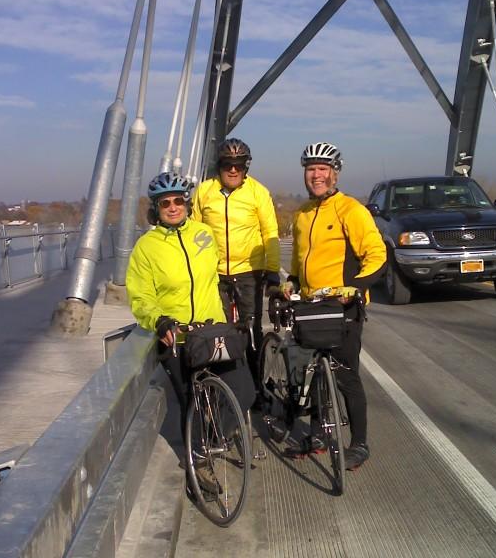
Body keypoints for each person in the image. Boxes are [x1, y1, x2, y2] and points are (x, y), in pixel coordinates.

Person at [126, 171, 256, 447]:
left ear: (186, 203)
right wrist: (158, 321)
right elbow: (141, 295)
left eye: (178, 201)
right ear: (156, 209)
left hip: (212, 330)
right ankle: (197, 464)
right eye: (165, 203)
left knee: (244, 391)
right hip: (178, 336)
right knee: (190, 406)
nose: (173, 207)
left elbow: (219, 274)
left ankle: (217, 434)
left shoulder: (204, 234)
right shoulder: (146, 248)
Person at [280, 142, 386, 470]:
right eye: (311, 169)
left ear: (335, 173)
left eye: (323, 169)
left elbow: (377, 255)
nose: (316, 175)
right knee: (307, 374)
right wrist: (292, 282)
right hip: (310, 308)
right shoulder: (302, 214)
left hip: (343, 309)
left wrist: (355, 288)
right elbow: (300, 260)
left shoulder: (351, 209)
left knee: (345, 376)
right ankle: (317, 434)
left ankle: (360, 443)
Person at [191, 138, 280, 385]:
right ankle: (229, 381)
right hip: (215, 272)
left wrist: (272, 270)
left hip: (249, 272)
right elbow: (194, 232)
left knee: (250, 330)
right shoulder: (204, 192)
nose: (233, 170)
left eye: (238, 165)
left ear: (245, 167)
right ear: (219, 166)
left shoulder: (258, 192)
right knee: (221, 330)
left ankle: (257, 383)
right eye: (228, 164)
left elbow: (270, 232)